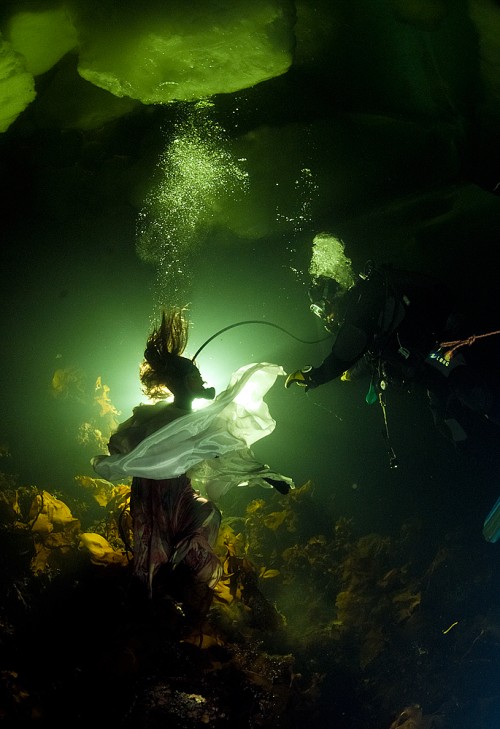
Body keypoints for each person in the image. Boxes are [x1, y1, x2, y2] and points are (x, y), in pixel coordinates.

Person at [92, 307, 294, 619]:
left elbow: (227, 449)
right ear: (185, 382)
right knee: (152, 552)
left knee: (207, 514)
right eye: (196, 377)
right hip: (151, 498)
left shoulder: (201, 421)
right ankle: (150, 607)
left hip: (179, 492)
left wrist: (264, 475)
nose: (202, 380)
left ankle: (175, 588)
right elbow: (123, 443)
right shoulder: (156, 416)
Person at [285, 255, 500, 452]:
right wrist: (351, 373)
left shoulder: (361, 306)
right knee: (446, 419)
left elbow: (347, 350)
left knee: (473, 395)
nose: (326, 317)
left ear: (332, 297)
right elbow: (370, 351)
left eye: (323, 309)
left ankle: (480, 441)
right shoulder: (364, 306)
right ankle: (475, 452)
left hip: (438, 354)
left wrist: (317, 376)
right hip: (428, 367)